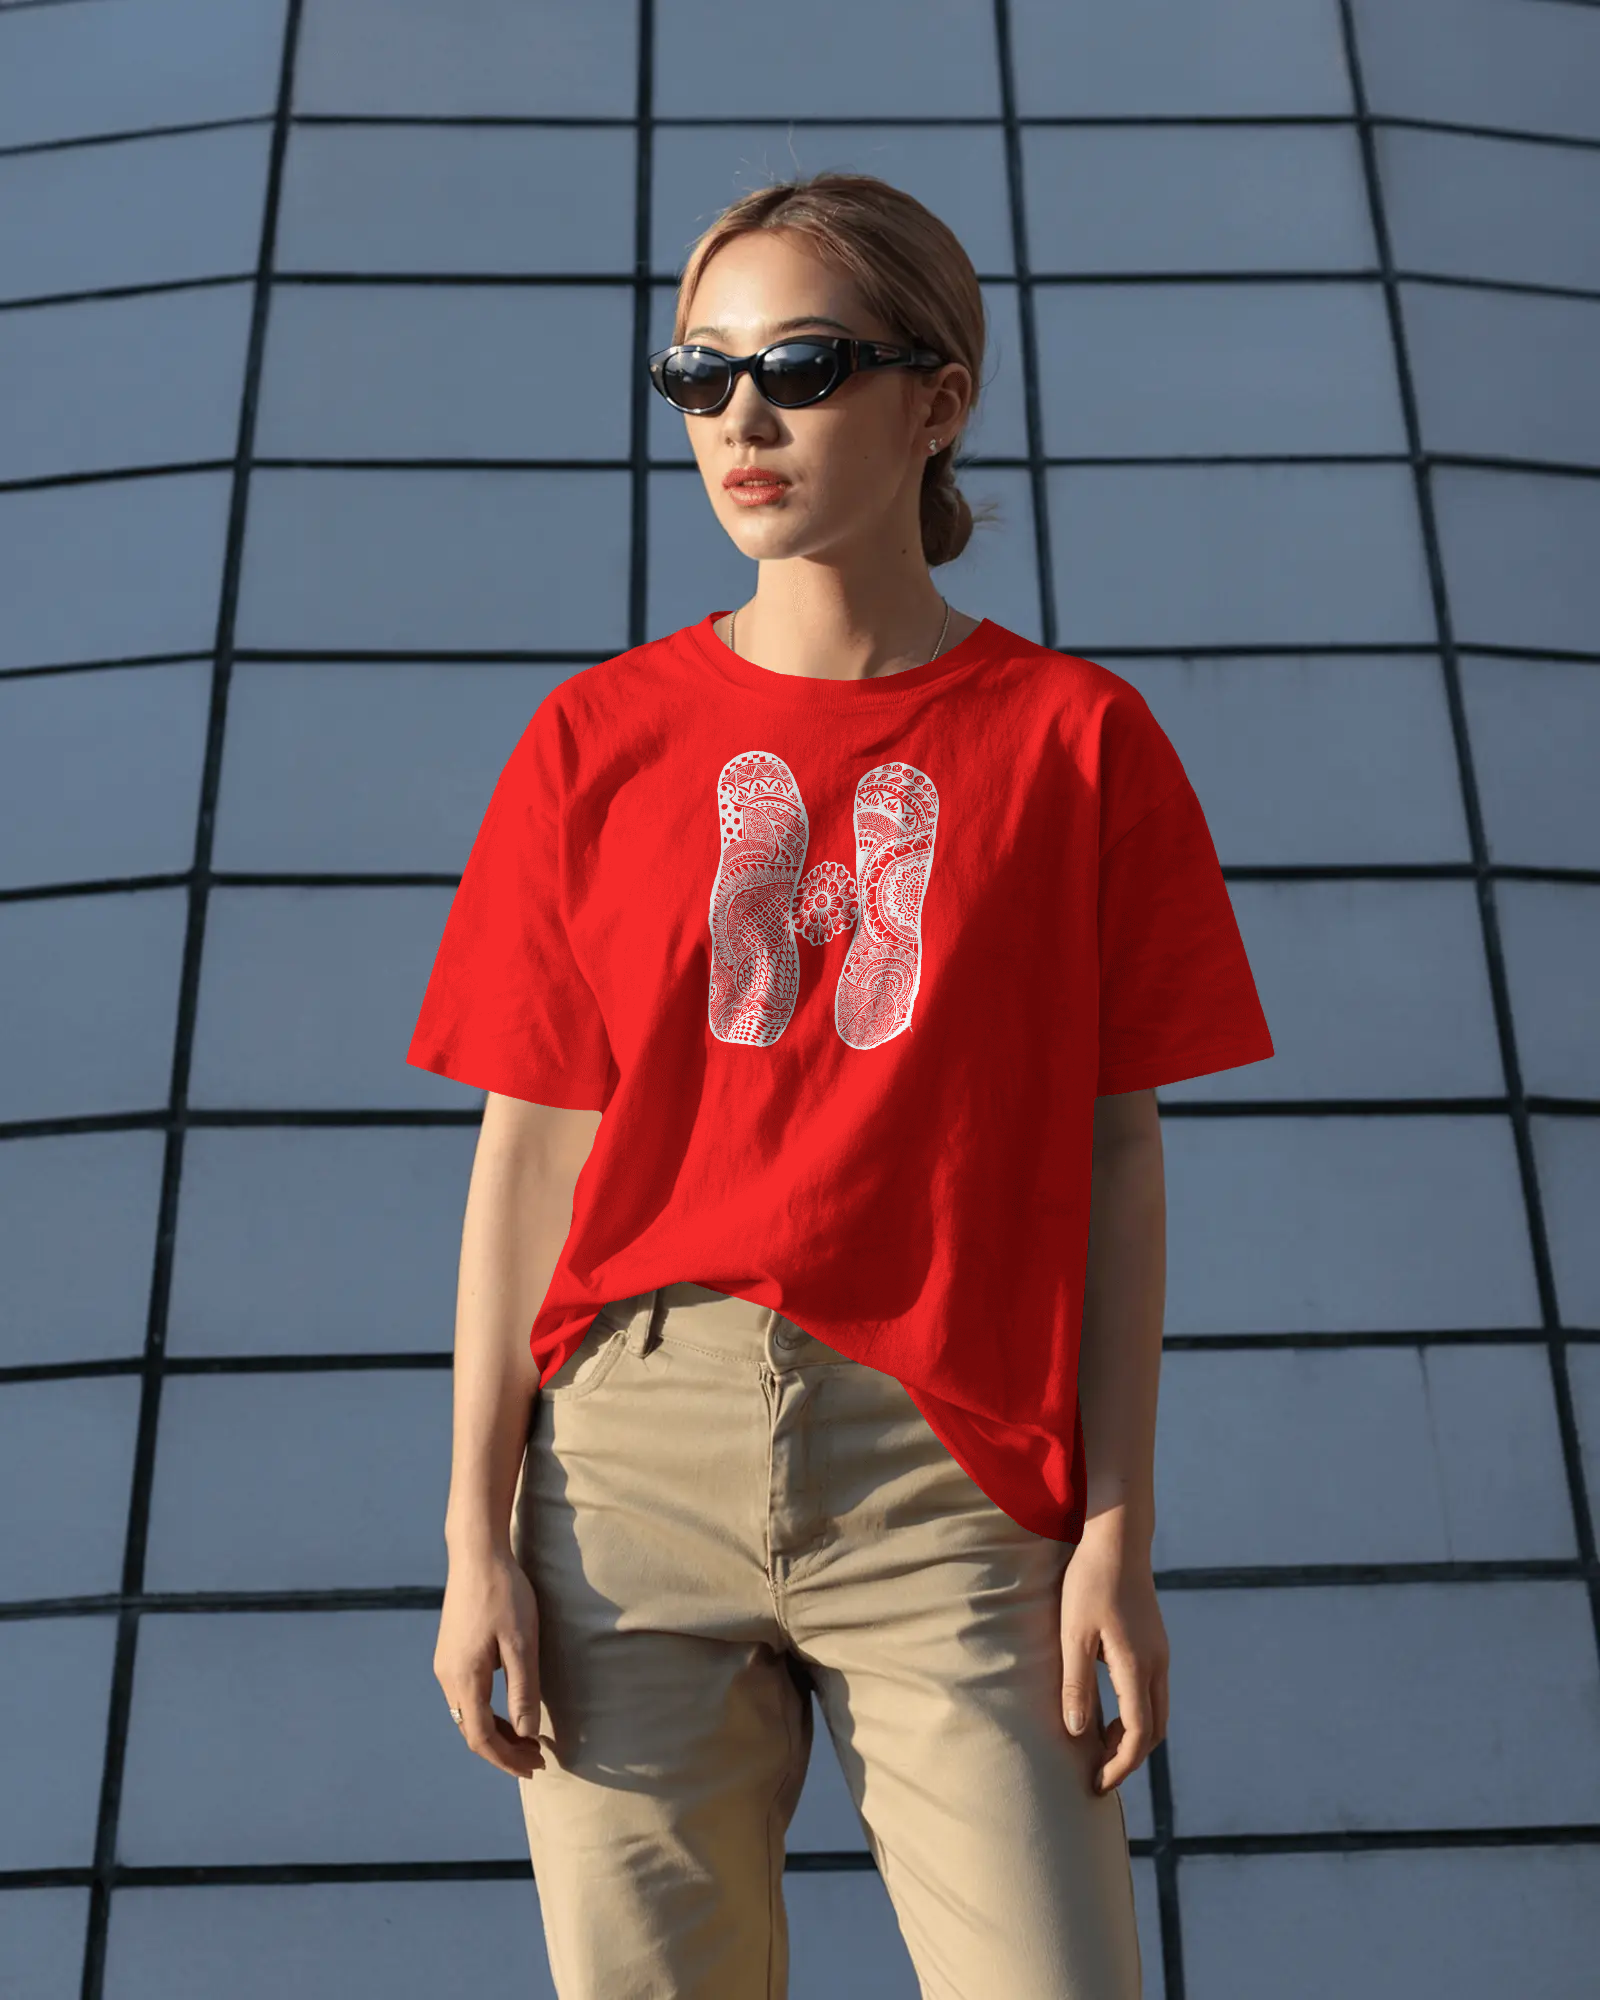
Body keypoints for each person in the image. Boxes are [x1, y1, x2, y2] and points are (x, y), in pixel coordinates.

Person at [409, 172, 1274, 1999]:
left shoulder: (1078, 744)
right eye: (699, 376)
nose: (742, 420)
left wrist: (1117, 1528)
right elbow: (528, 1160)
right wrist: (477, 1539)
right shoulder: (593, 740)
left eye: (801, 366)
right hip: (626, 1466)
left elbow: (1121, 1163)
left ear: (938, 398)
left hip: (950, 1470)